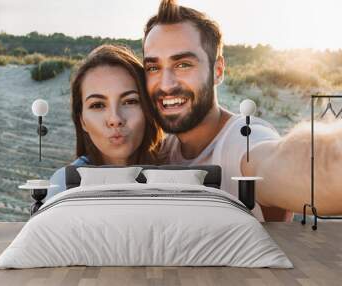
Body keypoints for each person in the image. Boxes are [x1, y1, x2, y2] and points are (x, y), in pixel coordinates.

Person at [142, 0, 342, 221]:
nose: (166, 84)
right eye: (153, 67)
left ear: (217, 71)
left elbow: (294, 164)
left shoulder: (243, 143)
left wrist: (331, 160)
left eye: (183, 64)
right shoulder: (161, 151)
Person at [48, 45, 163, 198]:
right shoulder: (65, 186)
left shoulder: (178, 173)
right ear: (82, 120)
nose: (115, 119)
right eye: (98, 105)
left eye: (130, 101)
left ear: (148, 108)